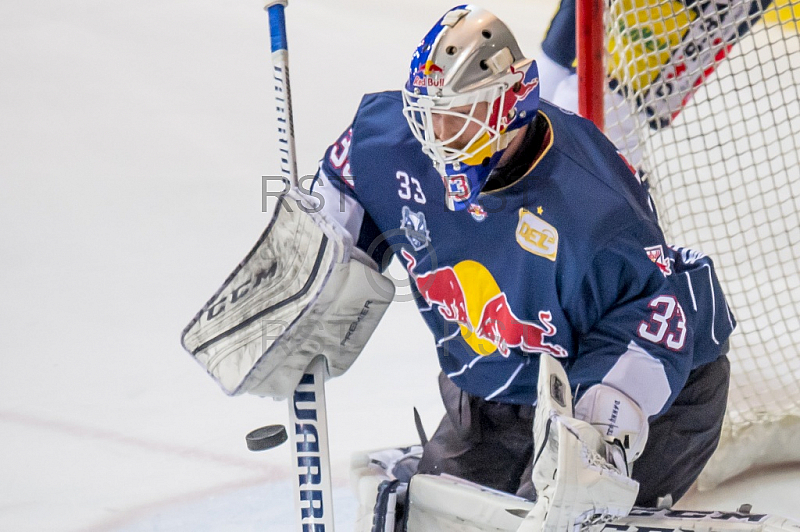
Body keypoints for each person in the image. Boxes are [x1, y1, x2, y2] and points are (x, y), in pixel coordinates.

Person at [309, 4, 735, 525]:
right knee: (440, 520)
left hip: (655, 390)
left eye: (458, 117)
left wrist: (600, 435)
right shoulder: (390, 143)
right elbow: (344, 184)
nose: (437, 136)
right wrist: (308, 270)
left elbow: (658, 316)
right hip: (502, 380)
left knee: (568, 511)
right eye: (429, 113)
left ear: (508, 111)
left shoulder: (591, 208)